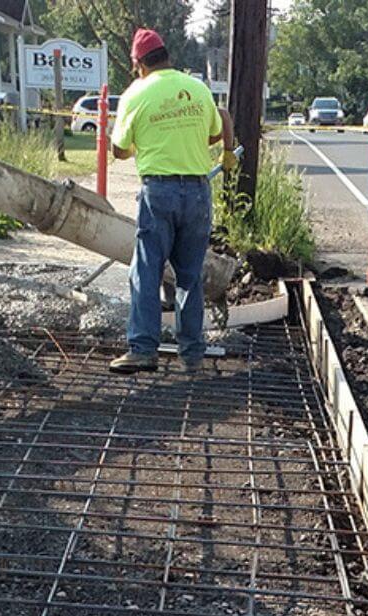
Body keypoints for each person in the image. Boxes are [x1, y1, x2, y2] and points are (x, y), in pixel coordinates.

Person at [108, 28, 236, 374]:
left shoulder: (136, 93)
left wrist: (142, 141)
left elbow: (119, 150)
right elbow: (218, 124)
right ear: (167, 56)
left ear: (139, 64)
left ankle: (143, 348)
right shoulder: (197, 88)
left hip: (159, 192)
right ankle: (192, 353)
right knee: (189, 276)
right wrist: (225, 150)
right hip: (197, 193)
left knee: (146, 272)